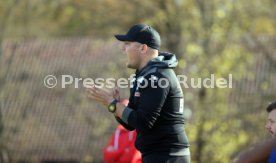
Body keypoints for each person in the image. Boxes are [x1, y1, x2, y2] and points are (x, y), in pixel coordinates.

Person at [87, 24, 190, 163]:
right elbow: (131, 125)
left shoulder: (157, 77)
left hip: (168, 156)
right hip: (158, 155)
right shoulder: (144, 76)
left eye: (128, 44)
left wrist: (113, 104)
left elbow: (143, 122)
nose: (123, 48)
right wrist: (113, 106)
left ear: (143, 48)